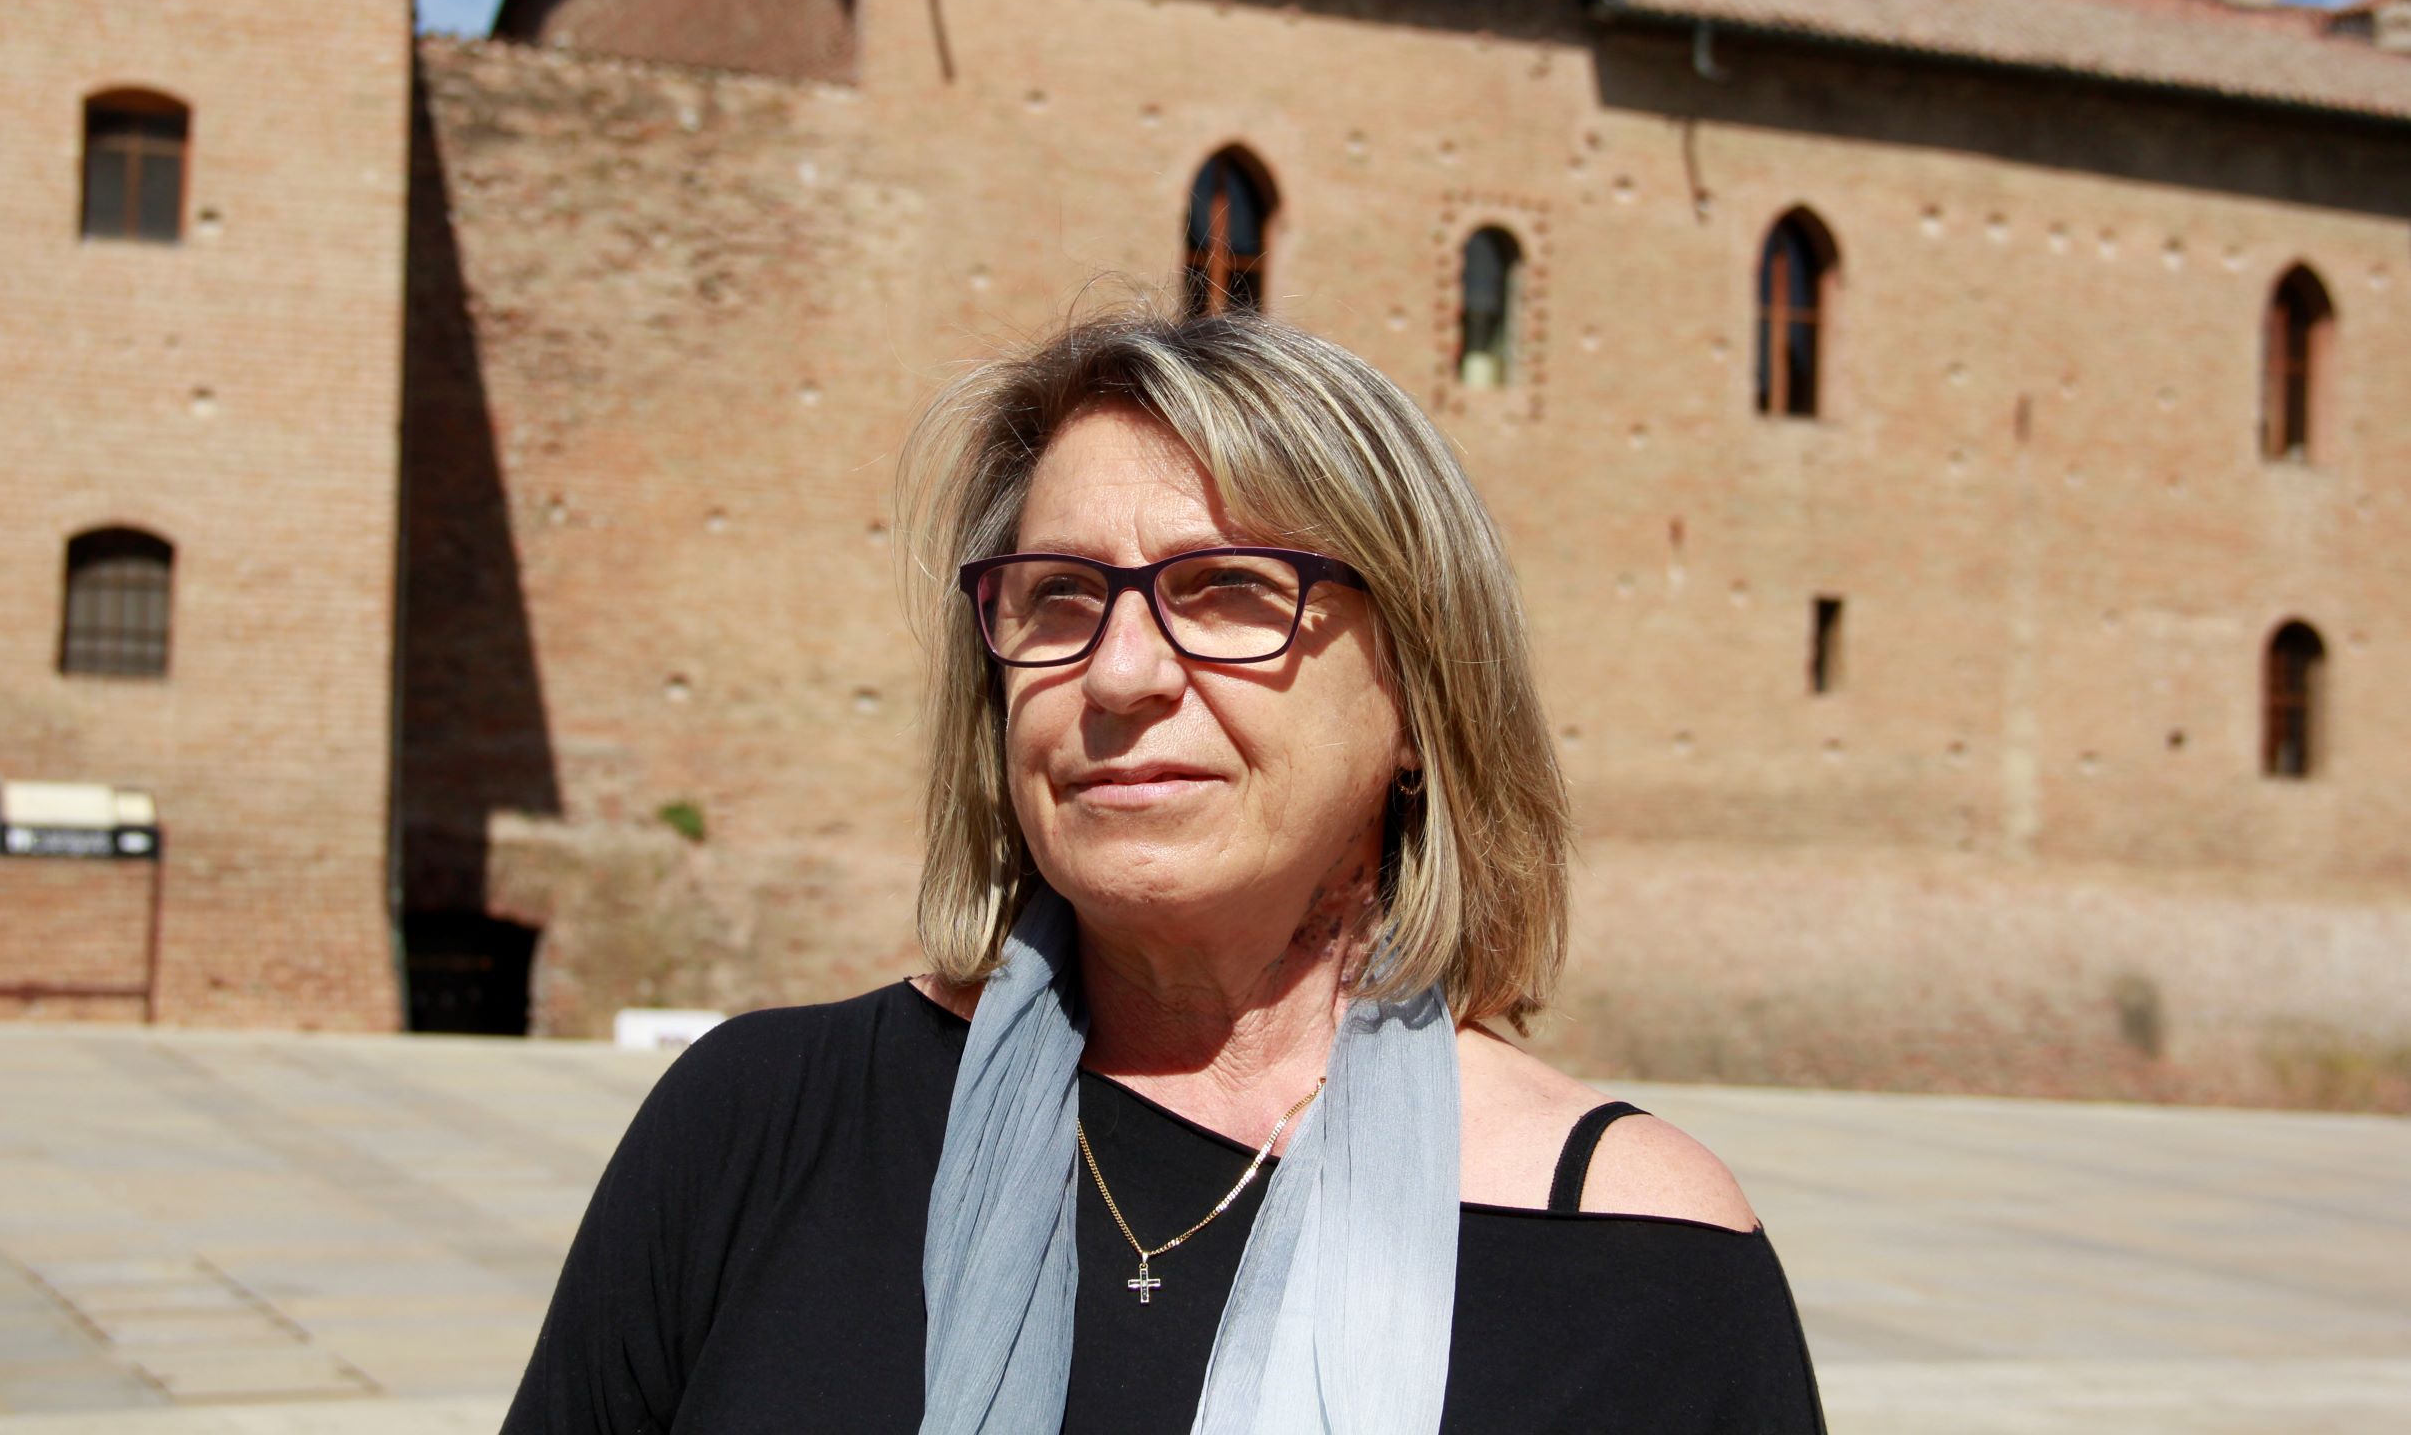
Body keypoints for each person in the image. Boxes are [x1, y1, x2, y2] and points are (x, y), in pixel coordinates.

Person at [502, 304, 1827, 1433]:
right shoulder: (759, 1130)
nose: (1120, 674)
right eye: (1059, 599)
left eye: (1231, 589)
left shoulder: (1643, 1258)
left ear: (1419, 697)